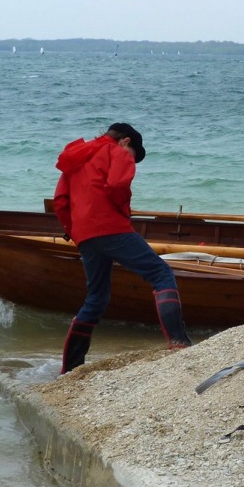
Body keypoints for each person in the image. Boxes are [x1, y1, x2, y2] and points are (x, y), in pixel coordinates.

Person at [53, 122, 192, 373]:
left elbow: (60, 202)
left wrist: (76, 232)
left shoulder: (76, 157)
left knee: (96, 298)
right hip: (111, 227)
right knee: (161, 274)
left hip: (84, 235)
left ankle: (71, 368)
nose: (131, 159)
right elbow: (118, 185)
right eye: (133, 155)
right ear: (126, 142)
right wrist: (121, 210)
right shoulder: (117, 151)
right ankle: (179, 342)